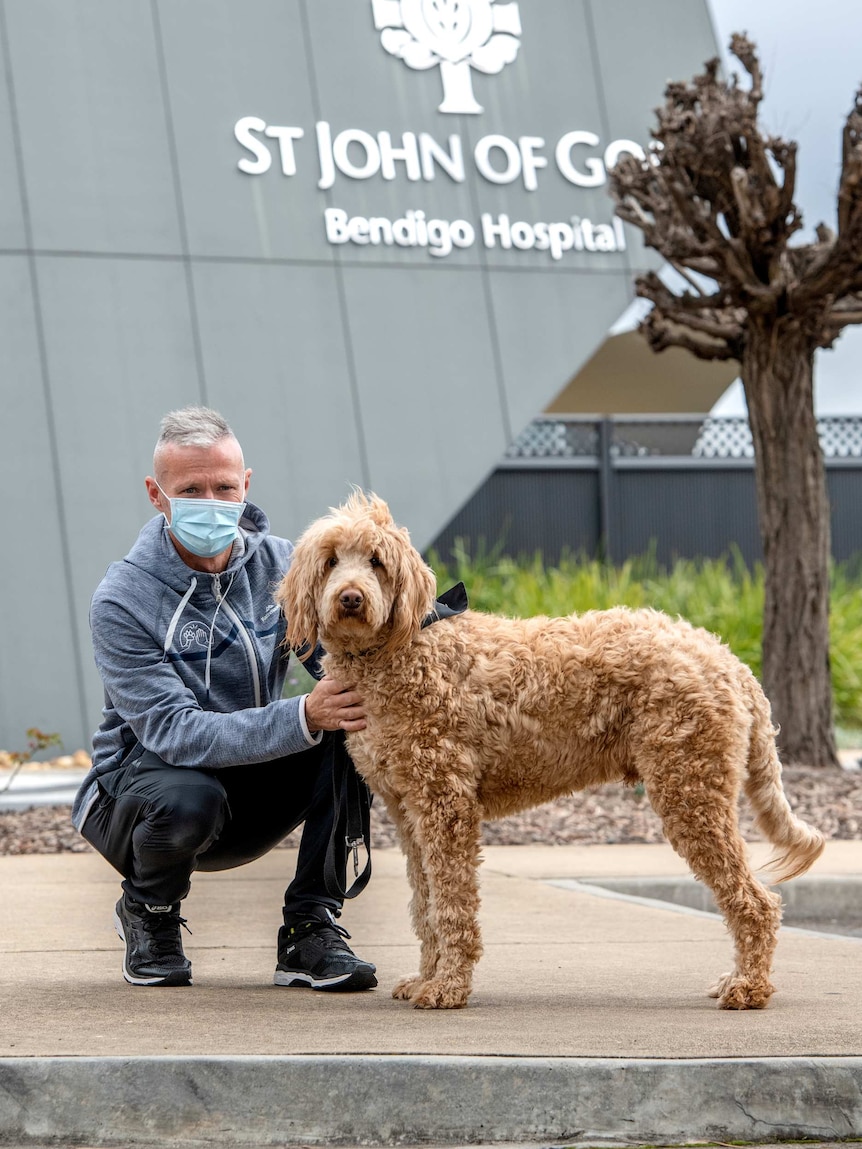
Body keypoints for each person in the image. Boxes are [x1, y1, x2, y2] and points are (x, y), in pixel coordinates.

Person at [72, 405, 377, 991]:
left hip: (248, 785)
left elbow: (338, 661)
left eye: (224, 487)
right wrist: (302, 715)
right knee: (190, 794)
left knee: (359, 725)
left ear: (246, 486)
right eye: (190, 489)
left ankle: (310, 927)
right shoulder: (122, 599)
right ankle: (150, 912)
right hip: (145, 794)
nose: (210, 502)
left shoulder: (288, 568)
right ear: (156, 495)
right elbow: (175, 732)